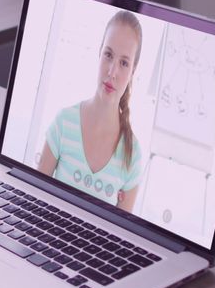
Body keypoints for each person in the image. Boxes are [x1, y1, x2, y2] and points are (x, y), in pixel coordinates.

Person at [38, 11, 145, 212]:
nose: (112, 72)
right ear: (99, 53)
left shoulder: (133, 155)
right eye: (108, 55)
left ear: (133, 71)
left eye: (124, 63)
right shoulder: (64, 123)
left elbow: (119, 230)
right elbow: (34, 199)